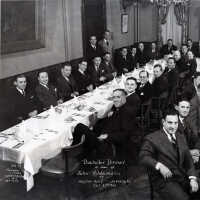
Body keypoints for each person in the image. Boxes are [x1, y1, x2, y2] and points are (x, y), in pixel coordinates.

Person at [139, 108, 199, 200]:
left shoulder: (181, 136)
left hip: (182, 176)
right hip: (165, 180)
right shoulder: (152, 138)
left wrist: (193, 178)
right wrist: (159, 165)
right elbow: (143, 157)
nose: (173, 126)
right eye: (170, 123)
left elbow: (188, 160)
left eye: (176, 123)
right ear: (163, 122)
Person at [72, 89, 138, 159]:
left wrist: (107, 136)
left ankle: (76, 152)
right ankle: (85, 151)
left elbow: (125, 134)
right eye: (114, 97)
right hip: (101, 133)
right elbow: (111, 123)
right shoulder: (119, 109)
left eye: (118, 97)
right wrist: (94, 126)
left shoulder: (126, 112)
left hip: (105, 143)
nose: (115, 100)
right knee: (85, 126)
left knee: (79, 127)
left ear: (125, 98)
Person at [175, 97, 200, 164]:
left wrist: (197, 151)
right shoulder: (171, 122)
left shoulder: (187, 123)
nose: (185, 110)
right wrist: (190, 153)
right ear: (176, 108)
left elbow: (196, 139)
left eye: (187, 107)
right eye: (182, 107)